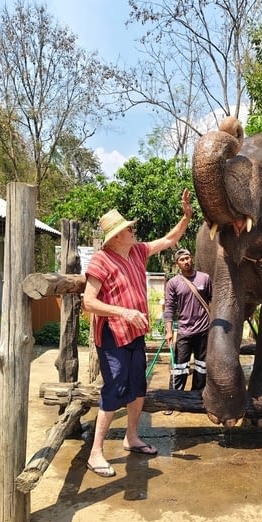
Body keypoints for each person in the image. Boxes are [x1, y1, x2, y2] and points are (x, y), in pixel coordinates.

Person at [83, 188, 193, 478]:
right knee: (115, 389)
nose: (133, 230)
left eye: (131, 228)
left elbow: (170, 240)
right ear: (116, 235)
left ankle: (131, 437)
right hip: (112, 335)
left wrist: (186, 217)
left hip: (135, 333)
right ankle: (96, 452)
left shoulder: (137, 251)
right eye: (128, 228)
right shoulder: (100, 261)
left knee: (138, 387)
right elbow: (89, 301)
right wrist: (124, 313)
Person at [163, 248, 212, 402]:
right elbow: (169, 307)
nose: (186, 262)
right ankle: (174, 399)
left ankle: (197, 395)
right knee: (179, 367)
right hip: (184, 331)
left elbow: (212, 300)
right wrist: (169, 331)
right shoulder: (173, 283)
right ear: (177, 264)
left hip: (204, 330)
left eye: (188, 258)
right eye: (182, 260)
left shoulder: (205, 278)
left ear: (192, 258)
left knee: (201, 365)